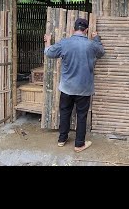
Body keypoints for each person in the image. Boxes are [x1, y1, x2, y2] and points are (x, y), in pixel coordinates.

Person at [44, 18, 105, 152]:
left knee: (65, 112)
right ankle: (79, 144)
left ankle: (62, 139)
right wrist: (96, 39)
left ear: (73, 29)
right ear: (86, 30)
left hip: (67, 88)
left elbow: (48, 53)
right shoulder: (91, 45)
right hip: (84, 89)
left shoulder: (65, 43)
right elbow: (101, 52)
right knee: (81, 116)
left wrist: (48, 40)